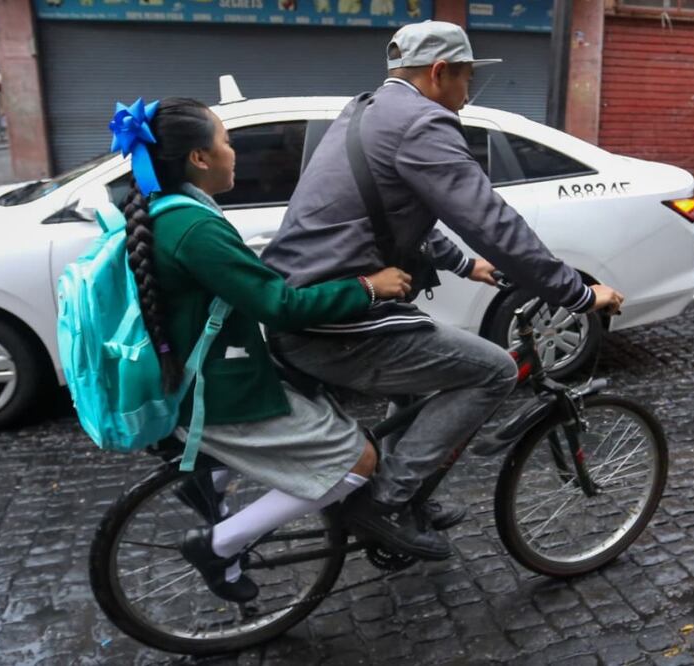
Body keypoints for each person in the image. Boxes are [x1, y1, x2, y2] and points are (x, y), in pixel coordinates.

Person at [261, 20, 624, 561]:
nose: (467, 93)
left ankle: (400, 497)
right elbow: (493, 222)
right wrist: (575, 293)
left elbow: (391, 209)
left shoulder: (365, 109)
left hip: (309, 303)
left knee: (415, 382)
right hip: (334, 319)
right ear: (438, 73)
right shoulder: (423, 123)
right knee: (495, 370)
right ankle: (384, 501)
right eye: (466, 78)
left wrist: (464, 264)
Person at [108, 96, 413, 602]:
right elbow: (279, 304)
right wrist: (368, 287)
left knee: (320, 398)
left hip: (214, 368)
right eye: (227, 142)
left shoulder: (168, 212)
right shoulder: (193, 227)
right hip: (217, 391)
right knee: (358, 460)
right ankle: (219, 545)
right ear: (199, 159)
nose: (235, 153)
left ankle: (213, 480)